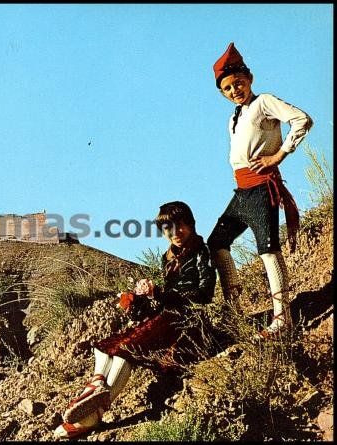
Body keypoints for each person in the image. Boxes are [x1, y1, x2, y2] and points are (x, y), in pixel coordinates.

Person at [54, 201, 216, 439]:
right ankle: (97, 385)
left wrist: (158, 293)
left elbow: (205, 294)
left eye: (180, 225)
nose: (175, 233)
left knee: (125, 350)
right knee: (104, 347)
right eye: (168, 229)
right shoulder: (168, 257)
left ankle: (91, 418)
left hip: (187, 321)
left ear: (190, 224)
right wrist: (137, 300)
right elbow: (162, 301)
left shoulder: (203, 251)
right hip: (167, 316)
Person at [207, 42, 313, 341]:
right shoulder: (234, 117)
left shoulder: (263, 102)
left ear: (249, 78)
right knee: (217, 241)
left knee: (268, 250)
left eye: (238, 83)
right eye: (227, 88)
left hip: (262, 187)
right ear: (222, 93)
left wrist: (279, 155)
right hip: (241, 192)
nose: (234, 90)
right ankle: (234, 310)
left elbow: (302, 120)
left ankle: (283, 319)